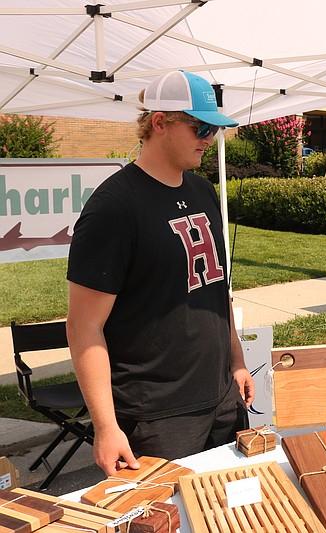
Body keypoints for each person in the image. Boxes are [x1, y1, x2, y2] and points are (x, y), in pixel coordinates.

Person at [66, 70, 255, 475]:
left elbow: (217, 290)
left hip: (221, 398)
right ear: (159, 123)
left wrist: (237, 362)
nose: (209, 138)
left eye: (214, 129)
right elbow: (84, 328)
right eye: (200, 127)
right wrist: (105, 425)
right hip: (158, 417)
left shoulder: (202, 190)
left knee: (227, 509)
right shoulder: (113, 207)